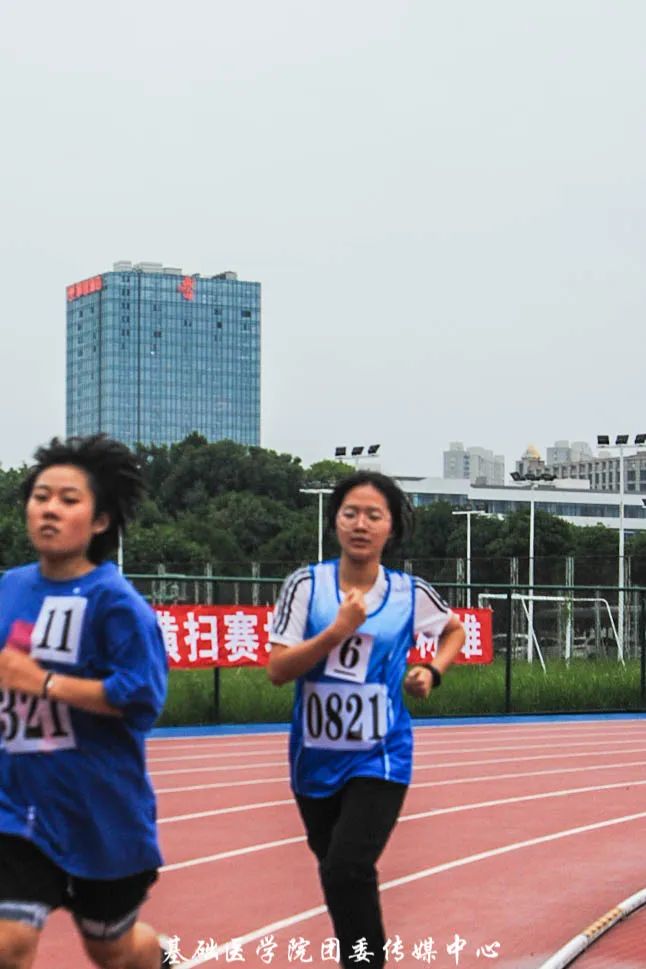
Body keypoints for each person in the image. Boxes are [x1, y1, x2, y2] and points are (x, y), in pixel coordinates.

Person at [267, 471, 466, 969]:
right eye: (351, 513)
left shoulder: (408, 593)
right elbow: (278, 670)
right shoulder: (305, 586)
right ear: (335, 521)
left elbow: (454, 630)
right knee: (337, 873)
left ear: (390, 527)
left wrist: (432, 671)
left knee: (348, 867)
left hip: (381, 756)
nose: (361, 524)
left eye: (373, 515)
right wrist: (336, 632)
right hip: (314, 761)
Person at [0, 434, 168, 969]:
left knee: (112, 950)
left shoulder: (116, 604)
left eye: (68, 500)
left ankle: (159, 957)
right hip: (15, 807)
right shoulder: (9, 589)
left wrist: (43, 683)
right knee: (8, 944)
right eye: (40, 496)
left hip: (98, 814)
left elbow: (140, 698)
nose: (49, 509)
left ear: (100, 521)